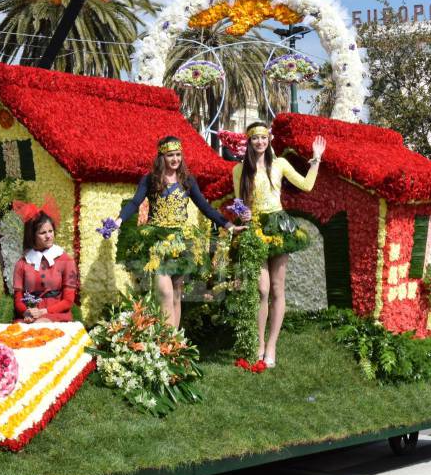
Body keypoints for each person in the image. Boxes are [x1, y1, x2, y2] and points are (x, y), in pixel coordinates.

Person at [114, 135, 243, 328]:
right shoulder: (150, 179)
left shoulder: (187, 180)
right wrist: (118, 220)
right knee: (164, 292)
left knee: (175, 292)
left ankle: (174, 345)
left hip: (181, 242)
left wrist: (229, 225)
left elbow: (205, 208)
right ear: (161, 157)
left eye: (178, 155)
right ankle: (169, 342)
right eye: (170, 155)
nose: (175, 159)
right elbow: (135, 202)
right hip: (157, 240)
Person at [232, 122, 326, 368]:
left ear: (268, 140)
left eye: (263, 138)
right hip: (256, 229)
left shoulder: (281, 164)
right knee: (262, 289)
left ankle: (271, 346)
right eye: (255, 139)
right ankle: (259, 343)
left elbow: (306, 185)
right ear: (250, 142)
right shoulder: (239, 170)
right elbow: (239, 202)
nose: (260, 142)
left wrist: (315, 159)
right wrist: (243, 214)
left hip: (279, 226)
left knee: (276, 288)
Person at [12, 198, 78, 323]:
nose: (48, 236)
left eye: (50, 231)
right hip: (28, 316)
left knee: (39, 326)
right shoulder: (22, 263)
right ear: (32, 235)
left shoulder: (66, 261)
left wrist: (44, 312)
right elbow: (18, 299)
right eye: (43, 233)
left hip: (56, 315)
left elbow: (68, 301)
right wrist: (26, 311)